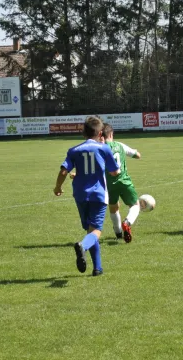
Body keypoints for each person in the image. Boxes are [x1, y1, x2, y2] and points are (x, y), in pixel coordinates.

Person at [54, 116, 120, 276]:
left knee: (90, 230)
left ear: (83, 133)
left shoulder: (74, 150)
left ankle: (97, 268)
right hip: (98, 194)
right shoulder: (104, 148)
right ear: (100, 133)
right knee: (95, 231)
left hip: (80, 195)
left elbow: (64, 171)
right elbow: (114, 171)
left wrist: (57, 187)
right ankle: (82, 246)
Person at [69, 124, 142, 243]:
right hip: (124, 181)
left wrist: (77, 175)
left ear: (101, 135)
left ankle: (118, 233)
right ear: (111, 134)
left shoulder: (99, 148)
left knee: (113, 208)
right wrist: (135, 152)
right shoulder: (120, 145)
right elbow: (138, 155)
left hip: (108, 184)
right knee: (135, 205)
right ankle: (127, 222)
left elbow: (93, 168)